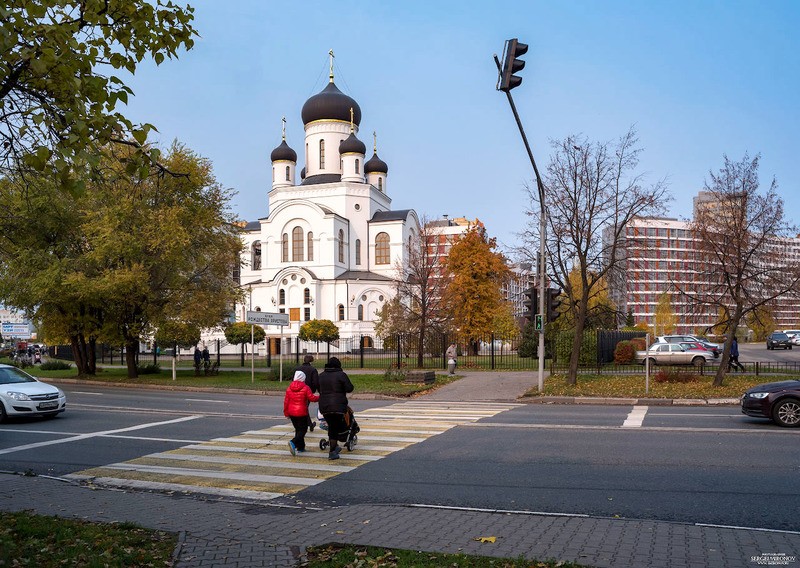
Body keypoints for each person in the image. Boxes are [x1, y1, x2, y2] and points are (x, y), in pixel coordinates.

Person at [317, 356, 354, 460]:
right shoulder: (341, 375)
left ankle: (335, 446)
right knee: (334, 428)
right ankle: (332, 452)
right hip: (338, 405)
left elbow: (318, 388)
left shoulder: (321, 375)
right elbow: (350, 388)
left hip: (324, 406)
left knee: (332, 426)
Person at [283, 370, 319, 455]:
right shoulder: (306, 387)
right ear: (303, 378)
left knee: (298, 430)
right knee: (303, 430)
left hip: (292, 413)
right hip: (301, 412)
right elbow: (312, 398)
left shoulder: (289, 388)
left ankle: (301, 447)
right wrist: (321, 397)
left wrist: (286, 413)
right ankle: (293, 442)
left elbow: (286, 402)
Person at [297, 354, 319, 432]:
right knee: (304, 408)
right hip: (307, 391)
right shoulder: (313, 370)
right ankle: (308, 424)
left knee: (303, 407)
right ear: (311, 361)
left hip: (297, 390)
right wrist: (315, 390)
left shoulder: (298, 369)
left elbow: (294, 379)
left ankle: (308, 424)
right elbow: (315, 382)